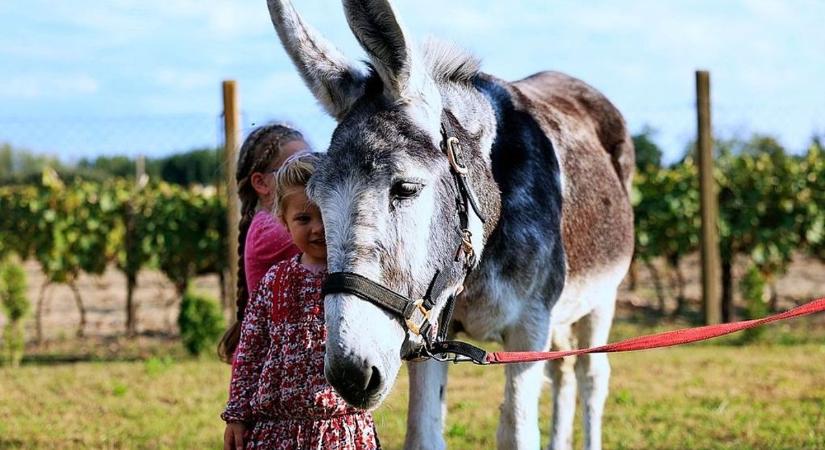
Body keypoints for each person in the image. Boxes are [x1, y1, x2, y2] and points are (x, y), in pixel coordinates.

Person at [222, 152, 380, 450]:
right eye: (304, 218)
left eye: (325, 214)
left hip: (340, 429)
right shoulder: (275, 282)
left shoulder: (359, 280)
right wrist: (237, 415)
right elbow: (251, 352)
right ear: (284, 221)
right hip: (276, 432)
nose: (318, 228)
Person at [218, 123, 308, 363]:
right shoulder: (270, 230)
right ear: (261, 183)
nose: (311, 175)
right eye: (295, 169)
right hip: (271, 368)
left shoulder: (272, 225)